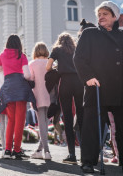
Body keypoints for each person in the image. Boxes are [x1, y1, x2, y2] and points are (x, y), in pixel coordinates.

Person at [73, 1, 123, 175]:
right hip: (96, 87)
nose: (101, 17)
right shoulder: (89, 33)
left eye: (105, 14)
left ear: (115, 16)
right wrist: (88, 77)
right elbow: (79, 58)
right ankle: (88, 162)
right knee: (92, 127)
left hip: (121, 89)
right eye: (99, 14)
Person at [0, 34, 36, 160]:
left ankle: (7, 150)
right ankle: (17, 150)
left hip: (8, 88)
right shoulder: (22, 55)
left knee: (11, 121)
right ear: (19, 44)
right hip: (21, 89)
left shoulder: (2, 55)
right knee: (20, 121)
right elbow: (28, 75)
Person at [46, 32, 84, 165]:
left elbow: (48, 66)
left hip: (65, 83)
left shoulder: (57, 50)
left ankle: (72, 155)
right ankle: (85, 155)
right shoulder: (77, 49)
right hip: (79, 82)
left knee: (67, 118)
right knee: (81, 116)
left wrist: (58, 67)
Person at [29, 42, 52, 160]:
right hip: (50, 96)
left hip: (37, 96)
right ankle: (39, 150)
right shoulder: (50, 63)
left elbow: (30, 79)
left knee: (41, 124)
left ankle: (46, 151)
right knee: (46, 124)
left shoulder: (32, 64)